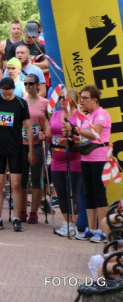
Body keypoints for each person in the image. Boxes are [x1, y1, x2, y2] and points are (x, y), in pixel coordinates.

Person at [0, 77, 34, 233]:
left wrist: (30, 149)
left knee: (16, 185)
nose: (6, 94)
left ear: (13, 89)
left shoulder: (21, 103)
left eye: (8, 91)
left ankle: (17, 218)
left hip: (16, 148)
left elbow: (29, 127)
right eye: (3, 91)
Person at [70, 85, 111, 243]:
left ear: (94, 100)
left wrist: (76, 130)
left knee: (99, 192)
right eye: (81, 98)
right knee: (89, 193)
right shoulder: (87, 115)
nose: (82, 101)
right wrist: (72, 135)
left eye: (85, 98)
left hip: (99, 158)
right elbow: (84, 138)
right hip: (86, 158)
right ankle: (92, 229)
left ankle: (103, 230)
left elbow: (95, 133)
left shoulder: (101, 114)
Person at [49, 87, 81, 237]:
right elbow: (49, 134)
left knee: (73, 192)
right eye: (60, 97)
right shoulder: (55, 115)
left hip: (74, 158)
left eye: (65, 98)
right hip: (56, 159)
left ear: (73, 99)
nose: (62, 100)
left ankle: (74, 223)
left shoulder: (80, 116)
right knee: (60, 192)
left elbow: (85, 138)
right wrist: (44, 136)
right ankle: (67, 223)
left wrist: (69, 140)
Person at [20, 74, 50, 224]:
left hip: (37, 145)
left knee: (37, 179)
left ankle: (34, 212)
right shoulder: (20, 102)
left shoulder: (45, 102)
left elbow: (49, 124)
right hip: (21, 145)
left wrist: (47, 134)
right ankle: (22, 210)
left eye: (31, 83)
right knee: (22, 180)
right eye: (26, 84)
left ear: (37, 85)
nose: (28, 86)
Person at [6, 21, 49, 86]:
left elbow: (46, 64)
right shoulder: (15, 46)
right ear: (24, 32)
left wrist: (30, 63)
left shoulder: (40, 46)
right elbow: (6, 63)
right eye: (29, 37)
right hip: (17, 78)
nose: (31, 39)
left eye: (33, 37)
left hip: (33, 79)